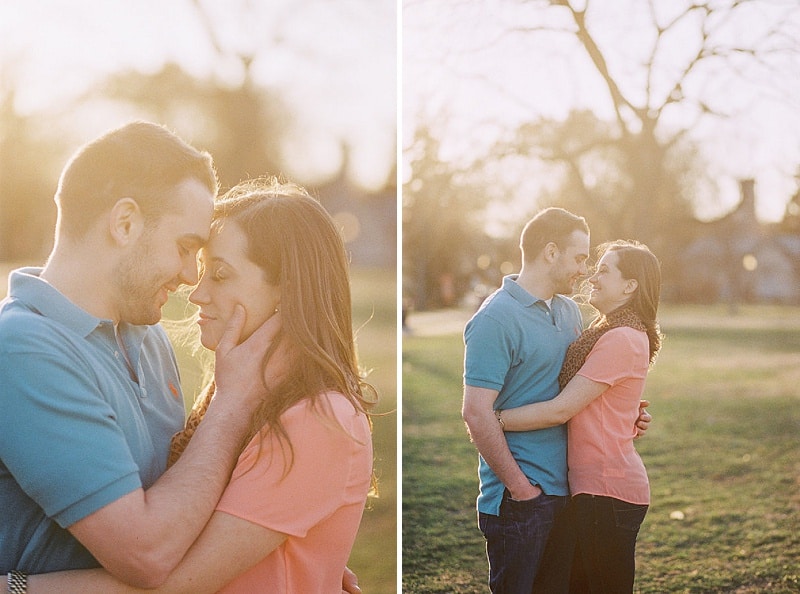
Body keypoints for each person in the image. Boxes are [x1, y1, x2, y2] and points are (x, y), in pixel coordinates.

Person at [0, 122, 362, 594]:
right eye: (186, 247)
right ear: (125, 223)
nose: (192, 278)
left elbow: (182, 499)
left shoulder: (145, 338)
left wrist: (280, 543)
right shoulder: (24, 349)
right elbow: (148, 558)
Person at [461, 208, 651, 594]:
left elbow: (581, 393)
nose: (585, 270)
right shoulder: (495, 319)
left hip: (570, 493)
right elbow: (476, 413)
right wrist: (522, 490)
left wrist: (625, 413)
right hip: (520, 500)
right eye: (580, 258)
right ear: (550, 253)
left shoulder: (569, 313)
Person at [498, 240, 662, 593]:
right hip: (595, 490)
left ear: (630, 286)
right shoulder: (604, 333)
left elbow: (562, 408)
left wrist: (492, 420)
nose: (593, 275)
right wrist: (629, 415)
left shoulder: (621, 337)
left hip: (609, 491)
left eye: (605, 270)